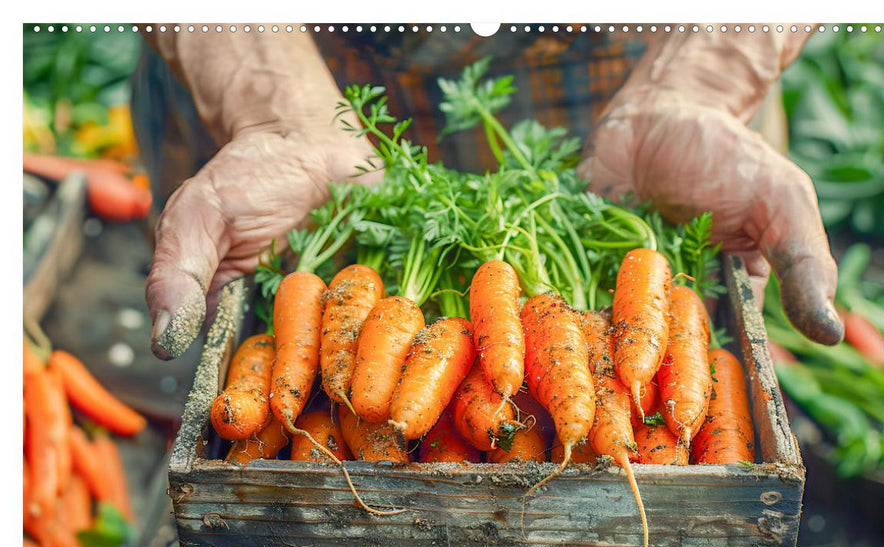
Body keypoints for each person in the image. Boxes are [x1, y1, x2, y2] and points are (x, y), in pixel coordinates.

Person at [135, 25, 843, 361]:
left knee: (672, 523)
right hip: (266, 70)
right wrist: (273, 111)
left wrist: (704, 85)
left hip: (650, 74)